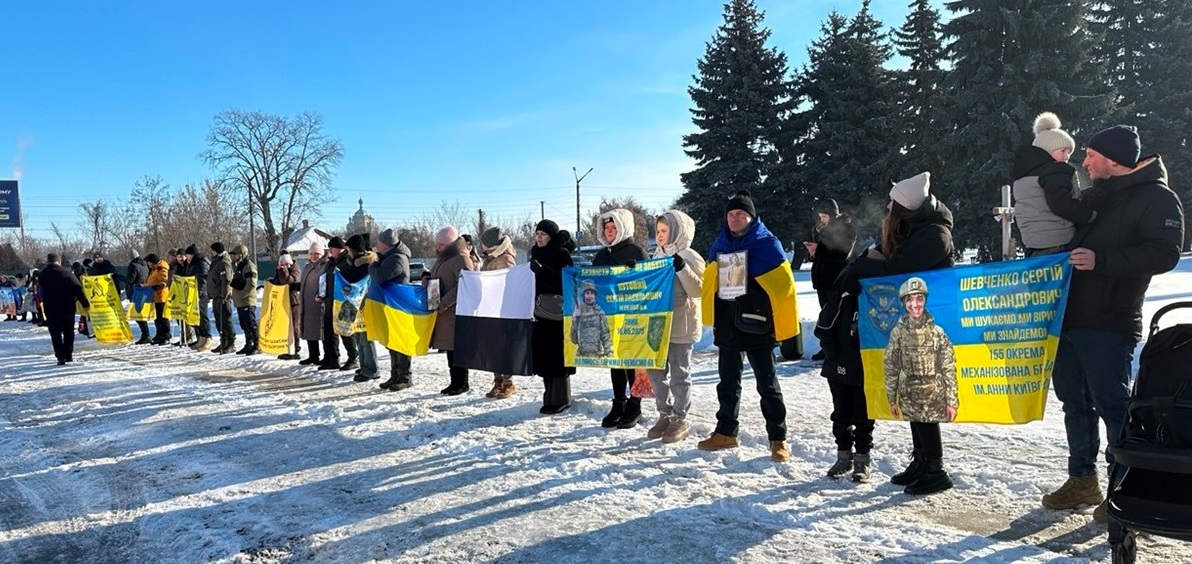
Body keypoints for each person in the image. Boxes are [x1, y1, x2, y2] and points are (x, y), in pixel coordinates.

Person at [1042, 124, 1184, 522]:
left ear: (1114, 159)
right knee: (1075, 404)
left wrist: (1101, 260)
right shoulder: (1096, 197)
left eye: (1090, 156)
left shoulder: (1158, 198)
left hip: (1110, 321)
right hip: (1069, 317)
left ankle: (1126, 489)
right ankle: (1081, 480)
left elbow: (1164, 253)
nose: (1084, 163)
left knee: (1114, 406)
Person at [841, 171, 956, 494]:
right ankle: (921, 459)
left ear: (906, 206)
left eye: (893, 202)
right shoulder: (913, 226)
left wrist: (867, 266)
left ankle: (935, 468)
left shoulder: (934, 233)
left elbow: (900, 269)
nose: (888, 206)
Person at [697, 190, 797, 462]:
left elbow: (784, 285)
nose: (734, 219)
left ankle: (778, 439)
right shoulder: (719, 245)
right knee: (727, 383)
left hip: (758, 325)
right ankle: (726, 432)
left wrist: (750, 274)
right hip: (728, 324)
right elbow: (709, 281)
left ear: (751, 218)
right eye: (730, 214)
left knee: (768, 385)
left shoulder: (767, 244)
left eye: (739, 214)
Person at [645, 209, 705, 443]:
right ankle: (664, 413)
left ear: (678, 231)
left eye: (665, 230)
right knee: (655, 373)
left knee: (679, 374)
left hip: (682, 325)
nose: (660, 235)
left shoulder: (690, 256)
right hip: (657, 326)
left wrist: (681, 267)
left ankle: (680, 418)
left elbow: (698, 290)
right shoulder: (655, 256)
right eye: (658, 231)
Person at [591, 208, 648, 429]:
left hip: (633, 316)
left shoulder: (637, 251)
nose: (610, 232)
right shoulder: (602, 255)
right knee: (615, 361)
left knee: (632, 361)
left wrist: (635, 273)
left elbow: (649, 283)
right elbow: (591, 283)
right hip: (610, 317)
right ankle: (618, 402)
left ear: (623, 228)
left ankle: (635, 403)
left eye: (614, 227)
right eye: (606, 228)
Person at [1012, 112, 1097, 257]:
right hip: (1058, 240)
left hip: (1033, 243)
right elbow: (1061, 203)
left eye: (1069, 152)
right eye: (1063, 151)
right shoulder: (1054, 170)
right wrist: (1089, 215)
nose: (1067, 157)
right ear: (1047, 150)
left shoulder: (1021, 174)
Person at [884, 277, 958, 427]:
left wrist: (951, 402)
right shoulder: (898, 333)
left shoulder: (937, 333)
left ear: (925, 301)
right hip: (909, 400)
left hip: (935, 400)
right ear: (904, 303)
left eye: (920, 299)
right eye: (909, 300)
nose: (915, 304)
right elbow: (891, 368)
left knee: (931, 441)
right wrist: (892, 400)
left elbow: (948, 368)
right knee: (918, 436)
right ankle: (917, 452)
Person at [529, 220, 576, 413]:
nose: (539, 237)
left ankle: (561, 399)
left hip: (558, 314)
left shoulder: (562, 254)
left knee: (557, 357)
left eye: (543, 234)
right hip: (540, 313)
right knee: (543, 356)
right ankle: (548, 396)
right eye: (537, 233)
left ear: (551, 237)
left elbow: (566, 282)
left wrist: (543, 271)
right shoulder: (535, 252)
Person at [427, 226, 476, 395]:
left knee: (457, 347)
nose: (437, 247)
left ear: (450, 243)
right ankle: (454, 381)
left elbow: (464, 285)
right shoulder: (443, 258)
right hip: (443, 312)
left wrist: (445, 303)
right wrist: (427, 279)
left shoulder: (461, 258)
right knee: (450, 347)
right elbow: (436, 277)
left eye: (441, 244)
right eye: (437, 244)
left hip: (455, 311)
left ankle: (461, 382)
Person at [808, 199, 856, 362]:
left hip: (836, 281)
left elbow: (842, 253)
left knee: (838, 317)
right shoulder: (822, 229)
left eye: (824, 216)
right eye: (820, 216)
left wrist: (818, 250)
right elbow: (822, 255)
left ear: (832, 215)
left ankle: (840, 349)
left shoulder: (845, 228)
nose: (822, 220)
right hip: (823, 281)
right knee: (825, 316)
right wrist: (813, 251)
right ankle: (826, 347)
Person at [370, 228, 415, 391]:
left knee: (400, 342)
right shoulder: (389, 257)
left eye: (378, 243)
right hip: (390, 305)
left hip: (399, 307)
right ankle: (395, 375)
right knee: (392, 342)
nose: (376, 245)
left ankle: (405, 376)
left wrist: (373, 263)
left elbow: (380, 276)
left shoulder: (397, 259)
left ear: (385, 244)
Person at [479, 226, 519, 399]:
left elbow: (508, 283)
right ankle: (498, 381)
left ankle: (508, 382)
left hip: (502, 308)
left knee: (503, 346)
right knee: (493, 346)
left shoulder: (505, 259)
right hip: (490, 307)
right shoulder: (490, 258)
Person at [38, 254, 90, 365]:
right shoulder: (67, 273)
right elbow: (78, 288)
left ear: (48, 262)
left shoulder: (42, 275)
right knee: (68, 332)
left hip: (50, 308)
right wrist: (85, 303)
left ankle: (60, 357)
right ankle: (68, 354)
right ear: (59, 262)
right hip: (67, 307)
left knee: (55, 333)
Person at [341, 234, 378, 380]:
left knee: (365, 339)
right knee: (359, 338)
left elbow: (355, 281)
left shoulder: (365, 265)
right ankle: (364, 366)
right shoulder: (354, 262)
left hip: (365, 306)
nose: (347, 253)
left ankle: (371, 369)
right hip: (356, 306)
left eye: (349, 250)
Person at [320, 237, 358, 371]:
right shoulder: (330, 263)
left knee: (345, 330)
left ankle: (353, 357)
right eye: (329, 248)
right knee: (329, 331)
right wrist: (321, 293)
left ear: (340, 249)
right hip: (329, 300)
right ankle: (332, 358)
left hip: (342, 301)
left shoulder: (346, 261)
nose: (330, 251)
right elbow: (324, 279)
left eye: (333, 248)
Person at [299, 242, 327, 365]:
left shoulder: (324, 266)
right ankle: (313, 355)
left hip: (318, 303)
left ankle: (328, 356)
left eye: (317, 253)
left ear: (321, 254)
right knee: (309, 329)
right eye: (311, 254)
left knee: (321, 331)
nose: (314, 256)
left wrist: (322, 296)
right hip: (307, 303)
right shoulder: (307, 267)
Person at [229, 244, 259, 355]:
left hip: (247, 300)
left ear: (242, 255)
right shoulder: (240, 266)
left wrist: (242, 295)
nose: (234, 257)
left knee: (251, 323)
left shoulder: (249, 266)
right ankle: (249, 343)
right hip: (241, 301)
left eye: (236, 254)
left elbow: (251, 284)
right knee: (244, 324)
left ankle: (257, 344)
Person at [272, 252, 303, 360]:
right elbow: (277, 281)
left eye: (285, 264)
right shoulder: (280, 270)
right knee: (285, 326)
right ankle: (286, 348)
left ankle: (296, 347)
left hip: (294, 300)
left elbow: (288, 280)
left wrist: (284, 271)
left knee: (294, 325)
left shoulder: (295, 269)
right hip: (283, 300)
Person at [208, 242, 237, 354]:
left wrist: (224, 295)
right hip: (216, 296)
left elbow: (227, 280)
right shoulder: (216, 262)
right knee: (219, 321)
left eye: (212, 250)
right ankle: (223, 341)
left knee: (226, 320)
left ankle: (230, 343)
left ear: (217, 251)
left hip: (222, 296)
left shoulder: (223, 262)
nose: (211, 252)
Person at [570, 279, 613, 356]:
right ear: (583, 295)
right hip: (582, 357)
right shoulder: (578, 313)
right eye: (587, 293)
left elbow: (605, 336)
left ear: (595, 295)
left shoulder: (599, 313)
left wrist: (609, 353)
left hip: (596, 357)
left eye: (592, 293)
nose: (590, 296)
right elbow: (574, 340)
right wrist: (574, 319)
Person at [184, 244, 213, 350]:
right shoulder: (193, 263)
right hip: (194, 293)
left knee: (203, 316)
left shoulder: (201, 263)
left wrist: (199, 293)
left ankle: (207, 338)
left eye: (188, 255)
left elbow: (202, 280)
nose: (186, 257)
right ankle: (201, 337)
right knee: (196, 317)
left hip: (201, 294)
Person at [143, 253, 172, 345]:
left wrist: (158, 286)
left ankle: (166, 336)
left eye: (148, 262)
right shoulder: (154, 269)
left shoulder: (161, 268)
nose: (147, 264)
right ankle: (159, 334)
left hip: (160, 296)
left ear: (152, 262)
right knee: (157, 318)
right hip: (154, 296)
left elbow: (164, 280)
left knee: (162, 318)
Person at [127, 250, 151, 344]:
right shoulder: (145, 264)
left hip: (135, 291)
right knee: (140, 313)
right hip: (143, 290)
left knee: (137, 314)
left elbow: (130, 280)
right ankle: (146, 334)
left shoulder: (133, 265)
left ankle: (145, 334)